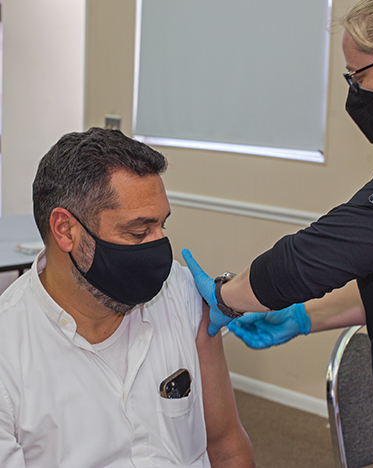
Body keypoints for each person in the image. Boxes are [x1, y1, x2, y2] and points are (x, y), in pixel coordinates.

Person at [182, 0, 373, 465]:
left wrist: (226, 295)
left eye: (358, 77)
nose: (355, 93)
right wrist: (304, 316)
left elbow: (310, 257)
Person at [0, 127, 254, 468]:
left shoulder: (180, 293)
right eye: (138, 232)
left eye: (162, 225)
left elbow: (225, 442)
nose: (159, 247)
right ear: (65, 230)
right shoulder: (9, 351)